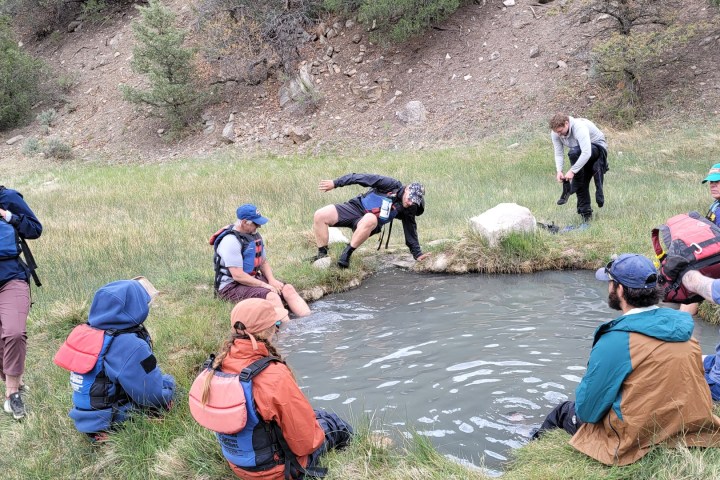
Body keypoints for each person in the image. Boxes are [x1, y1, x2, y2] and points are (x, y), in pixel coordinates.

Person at [533, 253, 720, 465]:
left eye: (611, 283)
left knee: (562, 412)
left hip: (638, 437)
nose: (609, 288)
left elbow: (588, 411)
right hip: (687, 426)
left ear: (620, 290)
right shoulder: (683, 327)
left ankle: (532, 449)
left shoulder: (616, 340)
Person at [197, 298, 352, 479]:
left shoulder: (217, 366)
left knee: (313, 415)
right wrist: (316, 426)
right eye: (277, 323)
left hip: (240, 466)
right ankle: (357, 453)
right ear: (270, 329)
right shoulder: (273, 375)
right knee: (333, 422)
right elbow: (306, 442)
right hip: (277, 471)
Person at [53, 277, 176, 440]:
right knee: (170, 390)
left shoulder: (87, 333)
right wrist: (170, 386)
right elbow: (152, 396)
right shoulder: (129, 344)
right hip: (114, 421)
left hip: (87, 420)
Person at [311, 173, 429, 268]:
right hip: (355, 207)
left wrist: (417, 254)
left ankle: (346, 253)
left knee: (370, 218)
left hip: (371, 223)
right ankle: (322, 255)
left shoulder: (409, 207)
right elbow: (360, 177)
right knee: (320, 215)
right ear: (407, 189)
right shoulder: (390, 184)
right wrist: (335, 183)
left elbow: (410, 228)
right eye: (410, 199)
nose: (410, 203)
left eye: (413, 202)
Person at [213, 203, 310, 317]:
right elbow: (238, 275)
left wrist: (271, 280)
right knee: (272, 296)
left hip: (251, 279)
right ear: (244, 222)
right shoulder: (230, 241)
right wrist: (265, 285)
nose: (259, 226)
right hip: (231, 287)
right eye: (256, 223)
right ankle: (287, 331)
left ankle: (310, 325)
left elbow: (263, 262)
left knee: (288, 289)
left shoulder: (253, 235)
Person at [0, 185, 42, 420]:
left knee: (14, 333)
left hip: (11, 278)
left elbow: (35, 229)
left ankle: (12, 395)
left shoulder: (8, 198)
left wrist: (8, 216)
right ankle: (15, 381)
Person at [550, 113, 608, 223]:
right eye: (556, 132)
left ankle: (573, 186)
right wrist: (559, 171)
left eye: (560, 131)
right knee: (581, 178)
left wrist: (572, 171)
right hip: (580, 152)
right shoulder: (555, 133)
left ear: (566, 123)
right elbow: (558, 153)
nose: (559, 135)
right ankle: (586, 215)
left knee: (573, 154)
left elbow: (586, 152)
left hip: (597, 149)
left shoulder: (579, 127)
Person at [681, 163, 720, 316]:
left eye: (717, 182)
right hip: (713, 254)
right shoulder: (716, 204)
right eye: (711, 182)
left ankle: (682, 322)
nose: (713, 185)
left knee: (692, 271)